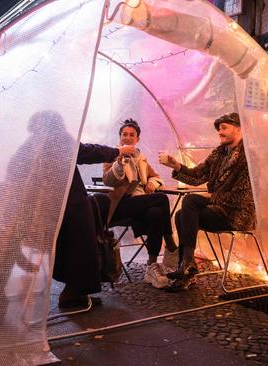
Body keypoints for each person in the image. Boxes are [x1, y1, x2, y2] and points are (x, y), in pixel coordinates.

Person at [158, 112, 255, 292]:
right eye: (219, 129)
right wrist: (176, 166)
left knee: (191, 200)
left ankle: (186, 266)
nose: (220, 132)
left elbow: (243, 196)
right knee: (180, 215)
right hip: (218, 209)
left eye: (224, 127)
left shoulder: (248, 156)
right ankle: (187, 269)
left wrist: (213, 197)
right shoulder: (219, 153)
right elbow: (197, 176)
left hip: (237, 214)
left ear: (239, 129)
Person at [54, 141, 136, 308]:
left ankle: (76, 291)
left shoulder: (34, 146)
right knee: (81, 243)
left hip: (59, 205)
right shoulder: (58, 143)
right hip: (70, 205)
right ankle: (74, 293)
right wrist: (117, 151)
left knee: (95, 207)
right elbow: (86, 152)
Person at [102, 118, 177, 289]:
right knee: (161, 199)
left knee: (156, 214)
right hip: (121, 206)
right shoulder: (111, 155)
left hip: (139, 205)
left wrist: (152, 183)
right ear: (120, 137)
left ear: (137, 139)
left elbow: (156, 176)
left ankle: (151, 266)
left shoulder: (141, 158)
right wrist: (120, 163)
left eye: (132, 135)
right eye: (124, 134)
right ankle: (170, 244)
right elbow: (107, 180)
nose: (128, 138)